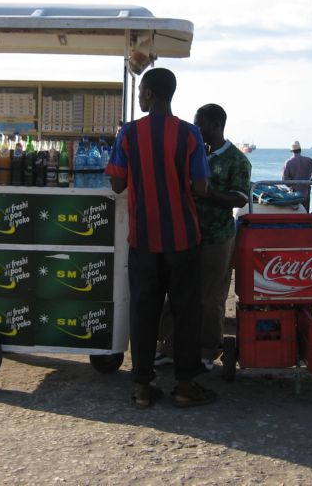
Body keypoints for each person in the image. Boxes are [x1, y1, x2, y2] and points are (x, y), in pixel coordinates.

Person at [106, 67, 217, 409]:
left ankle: (142, 386)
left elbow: (116, 184)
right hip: (183, 237)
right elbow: (200, 187)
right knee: (186, 312)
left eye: (141, 91)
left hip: (143, 239)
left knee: (143, 311)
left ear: (151, 94)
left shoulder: (128, 134)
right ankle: (185, 385)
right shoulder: (190, 135)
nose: (139, 96)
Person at [156, 104, 251, 370]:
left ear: (215, 125)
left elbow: (240, 198)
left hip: (217, 237)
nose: (195, 130)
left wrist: (208, 193)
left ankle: (208, 351)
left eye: (200, 125)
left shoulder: (237, 160)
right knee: (175, 292)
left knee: (210, 298)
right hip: (186, 233)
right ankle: (168, 347)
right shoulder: (194, 153)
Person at [282, 140, 312, 212]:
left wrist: (290, 184)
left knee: (294, 213)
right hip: (306, 191)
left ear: (291, 151)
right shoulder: (309, 160)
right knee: (305, 212)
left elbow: (285, 180)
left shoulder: (288, 162)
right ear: (300, 150)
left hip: (294, 193)